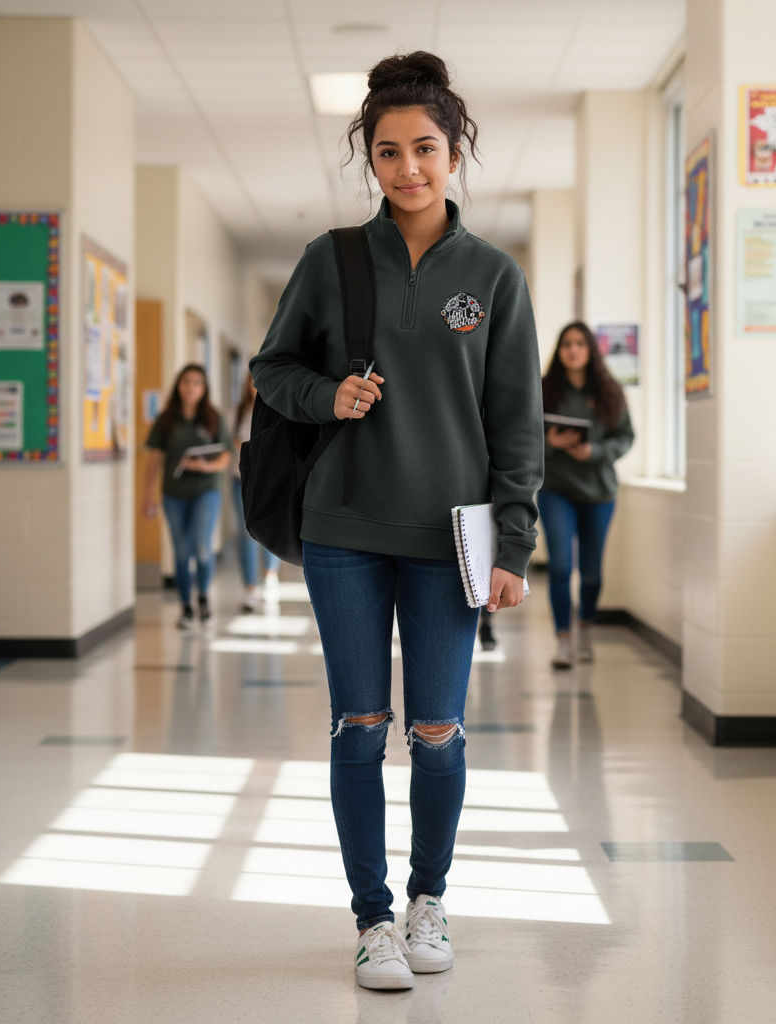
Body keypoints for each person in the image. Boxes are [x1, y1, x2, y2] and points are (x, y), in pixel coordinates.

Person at [250, 52, 543, 991]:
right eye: (388, 152)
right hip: (343, 528)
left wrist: (515, 541)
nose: (408, 168)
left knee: (439, 730)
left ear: (454, 150)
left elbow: (516, 423)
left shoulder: (493, 276)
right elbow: (271, 370)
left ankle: (430, 900)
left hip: (448, 539)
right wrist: (327, 393)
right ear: (367, 159)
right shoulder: (330, 260)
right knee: (358, 725)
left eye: (425, 148)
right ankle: (372, 917)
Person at [539, 322, 634, 668]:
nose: (573, 349)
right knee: (561, 566)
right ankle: (562, 640)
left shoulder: (609, 390)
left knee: (591, 573)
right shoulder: (544, 388)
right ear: (559, 350)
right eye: (567, 344)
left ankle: (585, 628)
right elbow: (523, 437)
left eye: (580, 343)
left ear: (590, 349)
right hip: (556, 490)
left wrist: (593, 452)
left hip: (598, 492)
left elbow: (625, 437)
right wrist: (551, 443)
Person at [143, 364, 233, 628]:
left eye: (196, 383)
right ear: (178, 386)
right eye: (186, 382)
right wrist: (147, 496)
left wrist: (206, 466)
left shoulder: (213, 417)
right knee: (181, 554)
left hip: (206, 491)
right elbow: (154, 460)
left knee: (202, 549)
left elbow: (226, 456)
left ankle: (203, 596)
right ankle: (185, 607)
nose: (191, 387)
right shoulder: (166, 419)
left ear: (204, 389)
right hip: (173, 494)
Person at [230, 372, 281, 612]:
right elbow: (229, 443)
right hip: (239, 480)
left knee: (270, 527)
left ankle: (270, 576)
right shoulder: (237, 412)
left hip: (268, 479)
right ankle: (250, 588)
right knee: (245, 533)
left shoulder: (278, 407)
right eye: (252, 379)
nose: (256, 384)